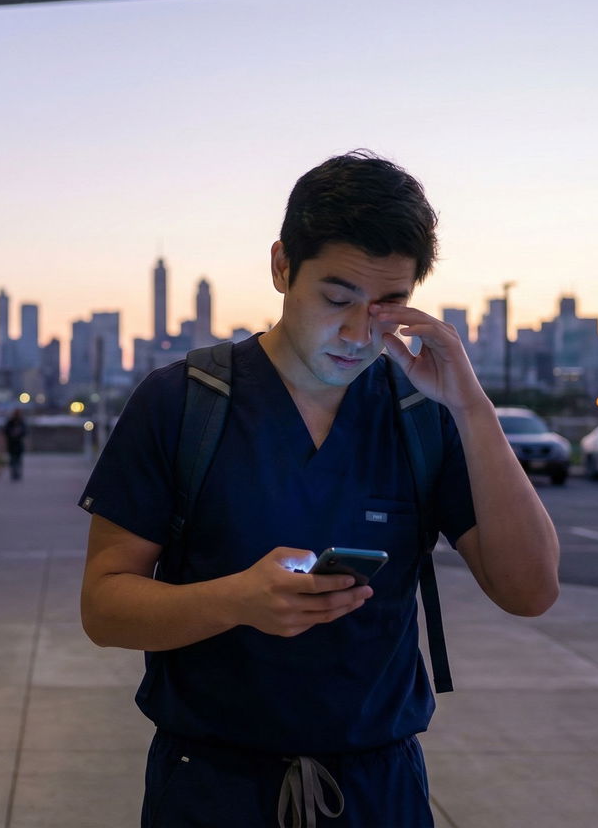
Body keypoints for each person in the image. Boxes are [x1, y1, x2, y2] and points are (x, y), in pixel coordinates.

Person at [78, 151, 560, 827]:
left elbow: (530, 590)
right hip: (212, 787)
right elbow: (104, 606)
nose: (360, 332)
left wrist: (471, 406)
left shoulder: (420, 413)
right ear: (281, 267)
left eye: (387, 305)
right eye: (336, 299)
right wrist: (237, 602)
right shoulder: (182, 402)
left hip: (379, 787)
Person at [5, 409, 28, 481]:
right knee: (13, 460)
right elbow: (5, 431)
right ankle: (14, 473)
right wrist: (12, 433)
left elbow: (25, 432)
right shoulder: (10, 422)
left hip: (18, 444)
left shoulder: (21, 422)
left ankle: (17, 473)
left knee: (18, 460)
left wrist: (19, 433)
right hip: (12, 444)